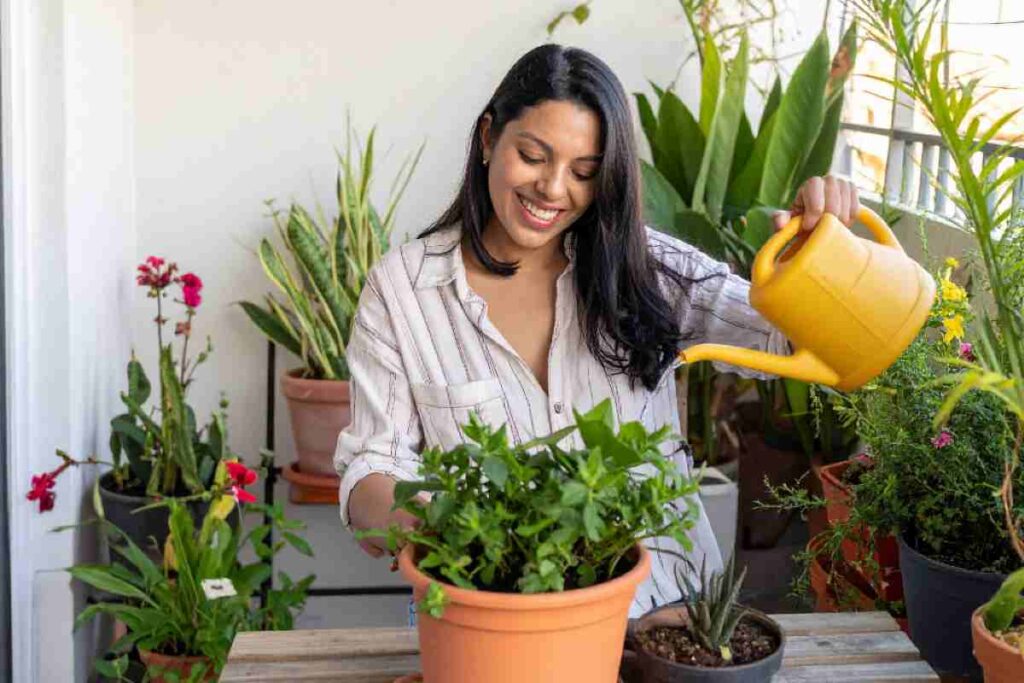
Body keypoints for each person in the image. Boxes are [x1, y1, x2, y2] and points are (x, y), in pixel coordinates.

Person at [334, 44, 859, 616]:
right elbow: (373, 465)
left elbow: (797, 339)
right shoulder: (403, 290)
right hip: (493, 618)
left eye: (584, 172)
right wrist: (446, 534)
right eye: (533, 156)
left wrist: (821, 256)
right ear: (488, 138)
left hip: (671, 614)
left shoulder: (648, 269)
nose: (553, 190)